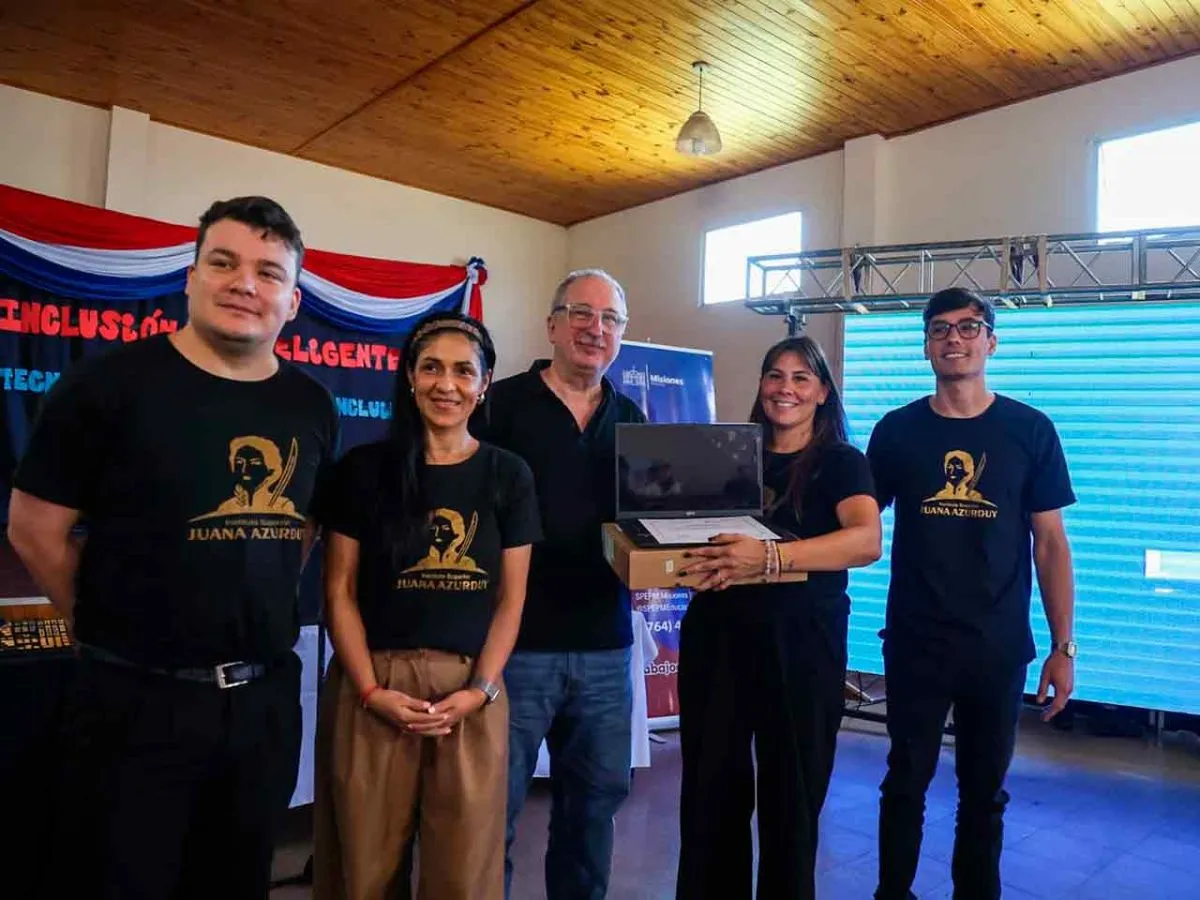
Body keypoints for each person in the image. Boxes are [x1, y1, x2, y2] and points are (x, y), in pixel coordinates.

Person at [7, 196, 340, 899]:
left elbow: (303, 529)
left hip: (262, 704)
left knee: (235, 881)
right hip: (132, 702)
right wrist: (102, 625)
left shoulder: (311, 404)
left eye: (268, 272)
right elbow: (34, 528)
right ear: (190, 277)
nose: (244, 283)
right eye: (223, 262)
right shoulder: (106, 384)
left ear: (292, 301)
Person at [312, 311, 540, 900]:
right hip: (373, 687)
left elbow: (511, 598)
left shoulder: (508, 474)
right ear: (410, 377)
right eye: (432, 368)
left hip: (469, 691)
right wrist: (370, 690)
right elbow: (338, 590)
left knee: (464, 877)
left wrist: (481, 690)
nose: (447, 384)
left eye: (464, 371)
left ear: (484, 384)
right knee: (363, 873)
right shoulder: (363, 470)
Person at [867, 287, 1077, 900]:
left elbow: (1050, 545)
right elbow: (858, 523)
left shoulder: (1030, 430)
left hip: (997, 647)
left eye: (967, 327)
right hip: (916, 643)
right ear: (926, 346)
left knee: (984, 794)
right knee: (904, 783)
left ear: (991, 341)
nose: (953, 339)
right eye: (939, 329)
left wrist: (1063, 647)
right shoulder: (897, 431)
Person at [674, 335, 882, 900]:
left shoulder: (842, 462)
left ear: (822, 392)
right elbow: (689, 534)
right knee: (710, 792)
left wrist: (771, 557)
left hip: (802, 647)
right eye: (775, 375)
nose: (785, 388)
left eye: (800, 378)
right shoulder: (727, 454)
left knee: (793, 797)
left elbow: (865, 541)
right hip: (718, 638)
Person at [472, 268, 646, 899]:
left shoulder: (633, 418)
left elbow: (647, 523)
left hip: (605, 647)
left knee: (592, 812)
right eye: (581, 314)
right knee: (490, 812)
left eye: (610, 319)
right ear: (552, 325)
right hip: (515, 647)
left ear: (621, 334)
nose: (595, 329)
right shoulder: (498, 407)